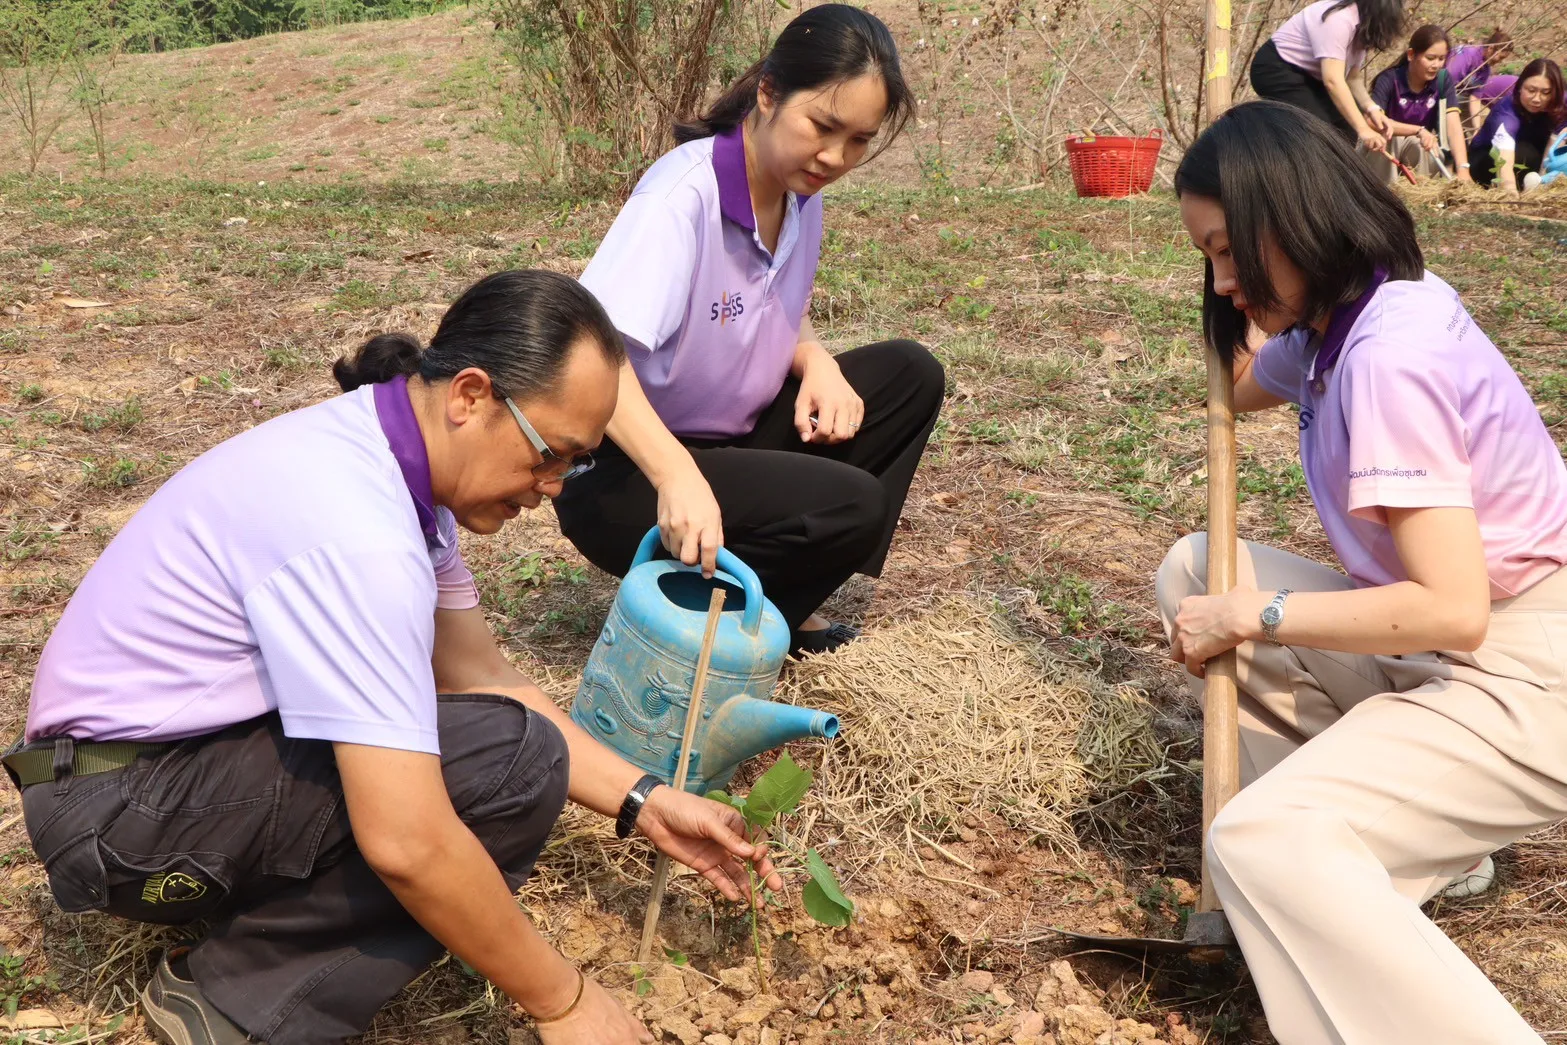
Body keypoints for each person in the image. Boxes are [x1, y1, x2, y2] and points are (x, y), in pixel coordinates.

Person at [7, 271, 782, 1045]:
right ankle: (234, 999)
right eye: (552, 454)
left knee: (505, 748)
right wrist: (567, 1001)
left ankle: (255, 928)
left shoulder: (393, 469)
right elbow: (407, 839)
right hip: (115, 812)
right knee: (504, 767)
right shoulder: (358, 527)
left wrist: (643, 797)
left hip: (142, 776)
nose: (552, 488)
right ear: (470, 396)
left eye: (573, 466)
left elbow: (483, 677)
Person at [1160, 100, 1567, 1045]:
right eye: (1206, 258)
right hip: (1464, 636)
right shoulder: (1356, 310)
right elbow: (1254, 380)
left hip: (1527, 667)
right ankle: (1389, 861)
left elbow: (1452, 609)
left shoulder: (1389, 357)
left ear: (1293, 219)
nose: (1220, 282)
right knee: (1197, 569)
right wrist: (1238, 307)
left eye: (1228, 251)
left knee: (1265, 840)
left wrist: (1252, 617)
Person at [554, 4, 944, 658]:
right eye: (822, 126)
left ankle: (765, 608)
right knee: (855, 505)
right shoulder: (681, 199)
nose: (833, 156)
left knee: (910, 374)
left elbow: (758, 303)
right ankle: (730, 637)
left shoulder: (799, 193)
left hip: (723, 446)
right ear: (767, 93)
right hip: (625, 471)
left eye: (857, 140)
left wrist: (814, 357)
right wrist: (676, 474)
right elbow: (588, 355)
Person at [1249, 0, 1403, 151]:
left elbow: (1352, 77)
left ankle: (1337, 174)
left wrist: (1372, 109)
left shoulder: (1362, 27)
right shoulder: (1339, 19)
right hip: (1277, 68)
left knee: (1346, 127)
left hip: (1312, 76)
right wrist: (1364, 129)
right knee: (1320, 130)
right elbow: (1332, 81)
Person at [1368, 24, 1472, 182]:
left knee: (1422, 145)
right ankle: (1384, 192)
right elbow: (1373, 122)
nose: (1436, 65)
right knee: (1390, 135)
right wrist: (1418, 130)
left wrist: (1463, 168)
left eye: (1441, 59)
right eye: (1430, 58)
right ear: (1411, 55)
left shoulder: (1442, 81)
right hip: (1384, 152)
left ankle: (1421, 194)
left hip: (1418, 151)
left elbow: (1453, 126)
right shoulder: (1390, 79)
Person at [1470, 58, 1567, 194]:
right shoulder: (1506, 112)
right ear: (1520, 87)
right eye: (1531, 90)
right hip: (1489, 160)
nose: (1537, 99)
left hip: (1535, 154)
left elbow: (1554, 141)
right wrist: (1510, 192)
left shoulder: (1561, 104)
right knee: (1526, 153)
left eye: (1545, 93)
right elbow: (1504, 158)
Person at [1446, 27, 1515, 129]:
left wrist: (1476, 128)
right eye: (1500, 57)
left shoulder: (1484, 71)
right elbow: (1446, 81)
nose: (1500, 61)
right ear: (1491, 48)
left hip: (1457, 97)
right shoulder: (1468, 55)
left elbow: (1475, 98)